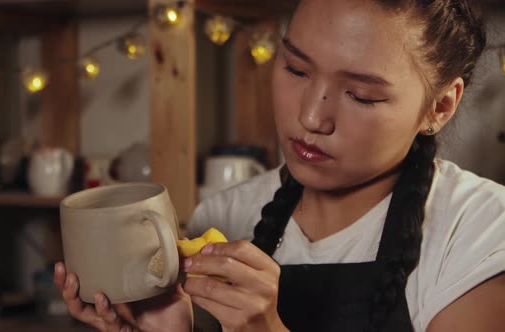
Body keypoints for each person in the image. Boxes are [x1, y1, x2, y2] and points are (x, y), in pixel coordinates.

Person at [54, 0, 505, 331]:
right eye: (295, 69)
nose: (311, 117)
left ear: (440, 107)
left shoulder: (480, 230)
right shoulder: (223, 216)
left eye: (360, 95)